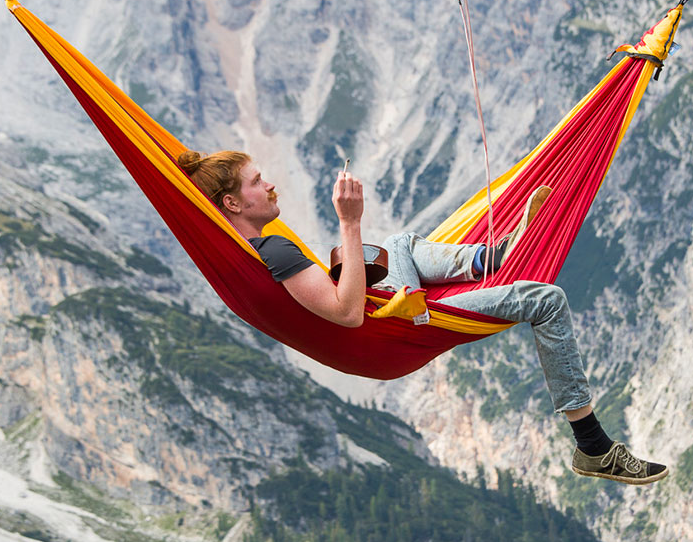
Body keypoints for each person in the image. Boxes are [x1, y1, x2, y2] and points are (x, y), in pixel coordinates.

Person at [177, 148, 667, 485]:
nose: (271, 184)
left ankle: (493, 257)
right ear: (233, 203)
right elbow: (347, 313)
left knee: (398, 246)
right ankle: (593, 445)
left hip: (377, 328)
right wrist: (350, 221)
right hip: (388, 333)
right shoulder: (276, 251)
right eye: (257, 182)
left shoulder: (251, 255)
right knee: (547, 300)